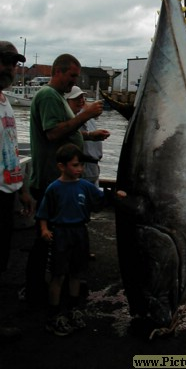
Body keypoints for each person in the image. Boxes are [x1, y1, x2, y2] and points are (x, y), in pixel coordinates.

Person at [26, 54, 104, 304]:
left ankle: (51, 284)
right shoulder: (48, 95)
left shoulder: (56, 96)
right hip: (51, 181)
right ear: (57, 72)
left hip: (57, 180)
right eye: (72, 76)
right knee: (45, 240)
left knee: (57, 239)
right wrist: (86, 114)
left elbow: (65, 132)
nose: (75, 81)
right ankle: (37, 289)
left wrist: (90, 138)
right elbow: (53, 133)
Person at [36, 143, 126, 336]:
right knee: (58, 274)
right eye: (75, 165)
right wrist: (44, 229)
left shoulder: (85, 186)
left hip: (80, 233)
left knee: (76, 272)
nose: (80, 169)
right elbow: (43, 212)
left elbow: (100, 201)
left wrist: (116, 195)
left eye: (81, 166)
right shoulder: (54, 188)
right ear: (62, 166)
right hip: (60, 233)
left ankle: (73, 308)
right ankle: (54, 315)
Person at [0, 41, 32, 340]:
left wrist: (21, 188)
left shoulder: (6, 101)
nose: (10, 67)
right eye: (5, 61)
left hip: (7, 191)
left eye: (13, 62)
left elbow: (10, 149)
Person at [65, 86, 110, 186]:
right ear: (67, 102)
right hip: (82, 168)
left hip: (94, 167)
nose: (80, 101)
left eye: (82, 98)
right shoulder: (70, 119)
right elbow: (70, 134)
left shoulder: (88, 116)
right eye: (76, 99)